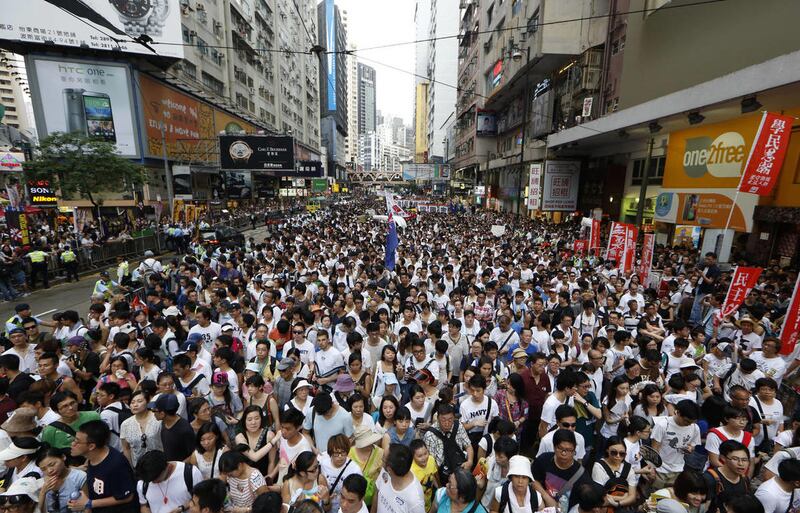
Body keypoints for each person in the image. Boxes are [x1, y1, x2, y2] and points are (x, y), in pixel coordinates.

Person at [67, 420, 138, 513]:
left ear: (91, 446)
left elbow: (127, 496)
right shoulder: (91, 459)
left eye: (77, 442)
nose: (73, 444)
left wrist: (90, 503)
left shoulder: (116, 464)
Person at [532, 429, 588, 511]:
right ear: (554, 447)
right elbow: (533, 480)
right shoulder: (544, 459)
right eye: (560, 448)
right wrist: (546, 497)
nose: (564, 453)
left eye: (569, 450)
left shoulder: (582, 475)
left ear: (574, 450)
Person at [651, 400, 702, 489]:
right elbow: (654, 448)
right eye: (686, 421)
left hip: (678, 468)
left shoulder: (694, 428)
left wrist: (690, 449)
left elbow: (692, 445)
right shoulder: (663, 425)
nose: (688, 424)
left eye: (692, 422)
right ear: (677, 412)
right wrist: (652, 468)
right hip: (660, 469)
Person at [135, 450, 202, 513]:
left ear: (167, 467)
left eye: (156, 479)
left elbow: (201, 500)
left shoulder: (191, 473)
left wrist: (182, 508)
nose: (153, 482)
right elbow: (144, 505)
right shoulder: (144, 482)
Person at [423, 404, 473, 482]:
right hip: (442, 473)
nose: (447, 423)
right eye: (443, 420)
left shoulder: (458, 425)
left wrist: (470, 461)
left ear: (454, 418)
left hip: (461, 466)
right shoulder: (429, 435)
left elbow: (468, 445)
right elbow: (432, 464)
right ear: (438, 419)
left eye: (450, 420)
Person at [372, 444, 425, 513]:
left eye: (383, 460)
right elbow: (377, 493)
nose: (381, 463)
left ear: (389, 470)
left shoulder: (415, 501)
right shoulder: (385, 472)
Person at [702, 440, 751, 513]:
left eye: (744, 460)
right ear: (723, 458)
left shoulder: (744, 480)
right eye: (735, 459)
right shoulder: (709, 479)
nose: (741, 463)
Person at [590, 436, 637, 511]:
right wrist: (623, 498)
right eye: (614, 452)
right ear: (607, 451)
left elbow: (632, 497)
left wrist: (618, 504)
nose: (618, 456)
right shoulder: (599, 467)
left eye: (622, 454)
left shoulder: (628, 468)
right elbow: (600, 497)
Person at [119, 389, 162, 467]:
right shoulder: (126, 424)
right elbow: (126, 448)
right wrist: (131, 467)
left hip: (161, 463)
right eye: (132, 402)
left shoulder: (158, 418)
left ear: (148, 402)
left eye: (139, 401)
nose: (135, 405)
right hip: (139, 467)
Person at [319, 435, 359, 513]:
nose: (340, 457)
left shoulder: (355, 469)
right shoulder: (323, 464)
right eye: (336, 453)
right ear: (330, 453)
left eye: (343, 452)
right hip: (327, 507)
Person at [150, 393, 195, 462]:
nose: (153, 413)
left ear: (162, 414)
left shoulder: (185, 429)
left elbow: (194, 454)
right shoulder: (164, 422)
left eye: (154, 410)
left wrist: (176, 467)